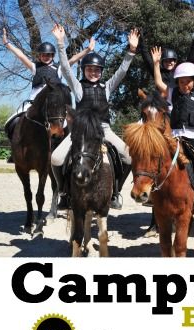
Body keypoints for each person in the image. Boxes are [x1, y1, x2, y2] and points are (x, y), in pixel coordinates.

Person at [51, 24, 139, 209]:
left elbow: (122, 71)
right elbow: (65, 68)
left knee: (129, 157)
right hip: (81, 131)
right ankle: (64, 193)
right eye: (90, 69)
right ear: (84, 70)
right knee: (56, 158)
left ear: (101, 71)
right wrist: (60, 42)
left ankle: (115, 192)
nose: (93, 72)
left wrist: (131, 50)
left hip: (103, 130)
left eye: (97, 70)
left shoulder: (107, 87)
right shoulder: (78, 87)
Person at [151, 46, 194, 205]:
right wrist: (156, 64)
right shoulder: (172, 93)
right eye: (181, 82)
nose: (185, 85)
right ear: (177, 82)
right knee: (156, 155)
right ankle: (154, 188)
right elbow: (158, 82)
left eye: (188, 81)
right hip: (175, 136)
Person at [3, 27, 95, 116]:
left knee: (68, 118)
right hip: (34, 102)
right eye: (43, 55)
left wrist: (88, 50)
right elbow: (21, 56)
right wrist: (7, 44)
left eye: (48, 55)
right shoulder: (34, 67)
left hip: (55, 102)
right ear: (40, 56)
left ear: (52, 56)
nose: (46, 57)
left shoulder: (59, 68)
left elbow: (73, 59)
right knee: (16, 116)